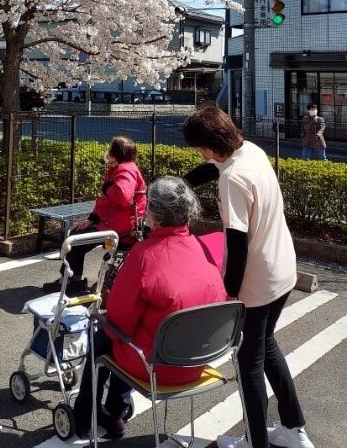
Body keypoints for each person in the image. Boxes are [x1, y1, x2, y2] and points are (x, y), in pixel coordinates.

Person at [183, 105, 314, 448]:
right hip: (283, 267)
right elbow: (212, 169)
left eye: (199, 148)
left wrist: (228, 295)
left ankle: (257, 443)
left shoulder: (232, 180)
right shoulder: (250, 150)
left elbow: (237, 244)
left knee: (248, 362)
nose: (200, 154)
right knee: (267, 346)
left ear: (209, 147)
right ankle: (293, 428)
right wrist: (183, 183)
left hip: (257, 282)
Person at [71, 176, 227, 440]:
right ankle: (115, 411)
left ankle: (85, 416)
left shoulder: (144, 255)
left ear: (152, 216)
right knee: (131, 335)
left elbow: (119, 321)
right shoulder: (203, 247)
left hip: (159, 366)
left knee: (103, 334)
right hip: (200, 360)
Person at [42, 135, 146, 295]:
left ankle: (71, 281)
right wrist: (92, 219)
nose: (107, 152)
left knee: (76, 240)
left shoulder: (125, 169)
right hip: (115, 224)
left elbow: (123, 197)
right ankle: (73, 280)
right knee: (77, 233)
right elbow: (107, 204)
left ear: (116, 153)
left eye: (110, 149)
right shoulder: (121, 168)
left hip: (121, 231)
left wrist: (107, 188)